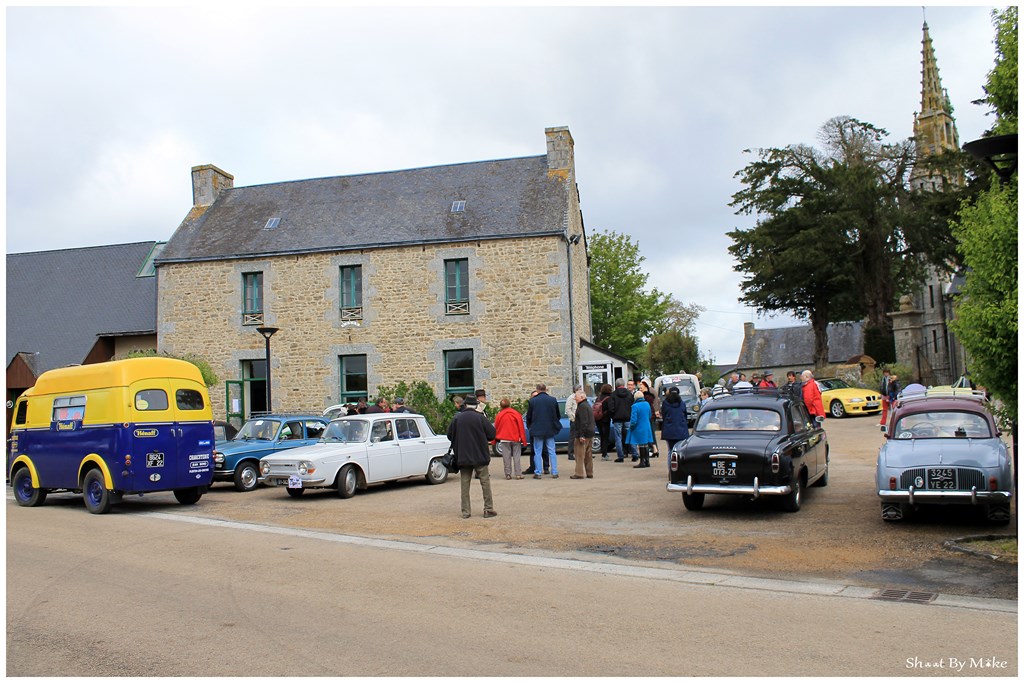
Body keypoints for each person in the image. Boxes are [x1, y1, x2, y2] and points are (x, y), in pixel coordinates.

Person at [447, 396, 497, 518]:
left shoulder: (457, 418)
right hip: (480, 455)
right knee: (485, 482)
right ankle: (488, 509)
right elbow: (492, 434)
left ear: (465, 404)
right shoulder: (480, 418)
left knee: (465, 484)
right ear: (475, 405)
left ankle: (466, 511)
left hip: (463, 456)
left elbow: (449, 436)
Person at [525, 383, 561, 479]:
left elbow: (529, 416)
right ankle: (554, 471)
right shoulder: (552, 400)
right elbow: (557, 415)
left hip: (537, 429)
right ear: (546, 389)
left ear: (537, 390)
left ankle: (538, 472)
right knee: (552, 450)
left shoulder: (533, 401)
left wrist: (530, 426)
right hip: (550, 428)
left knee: (537, 451)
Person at [493, 398, 527, 480]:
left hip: (504, 438)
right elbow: (521, 426)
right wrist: (523, 438)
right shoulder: (515, 413)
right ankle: (518, 474)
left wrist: (494, 439)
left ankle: (508, 474)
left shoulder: (499, 415)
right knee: (516, 457)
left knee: (506, 457)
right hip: (515, 438)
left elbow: (496, 427)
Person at [569, 390, 595, 479]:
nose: (574, 398)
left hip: (584, 434)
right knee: (588, 455)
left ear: (582, 397)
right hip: (590, 433)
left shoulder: (582, 407)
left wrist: (581, 435)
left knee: (579, 455)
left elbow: (584, 422)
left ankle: (579, 473)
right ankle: (589, 472)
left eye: (576, 396)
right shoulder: (587, 405)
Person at [607, 379, 634, 462]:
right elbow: (632, 406)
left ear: (616, 385)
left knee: (618, 438)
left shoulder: (613, 395)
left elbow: (610, 408)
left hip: (617, 419)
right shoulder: (629, 394)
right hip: (628, 418)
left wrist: (613, 416)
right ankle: (635, 454)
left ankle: (620, 456)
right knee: (631, 436)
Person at [626, 390, 654, 468]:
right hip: (647, 426)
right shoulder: (647, 404)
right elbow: (650, 415)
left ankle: (642, 462)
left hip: (639, 427)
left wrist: (631, 427)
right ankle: (647, 461)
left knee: (641, 445)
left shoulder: (635, 406)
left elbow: (634, 420)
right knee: (645, 444)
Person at [660, 386, 689, 454]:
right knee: (681, 450)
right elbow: (685, 416)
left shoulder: (665, 403)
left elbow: (664, 415)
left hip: (669, 430)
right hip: (681, 430)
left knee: (671, 450)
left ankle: (670, 464)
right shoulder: (682, 403)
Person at [639, 379, 660, 458]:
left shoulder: (648, 394)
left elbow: (655, 403)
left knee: (650, 433)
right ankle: (654, 450)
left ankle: (653, 449)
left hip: (649, 416)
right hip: (650, 415)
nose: (640, 386)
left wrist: (656, 411)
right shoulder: (649, 393)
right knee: (650, 433)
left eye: (641, 385)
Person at [594, 383, 614, 461]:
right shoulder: (609, 398)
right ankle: (604, 454)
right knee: (605, 437)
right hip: (605, 420)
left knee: (602, 436)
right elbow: (610, 409)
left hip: (598, 419)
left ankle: (603, 452)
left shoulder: (598, 398)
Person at [565, 384, 582, 460]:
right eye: (579, 389)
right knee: (573, 437)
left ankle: (582, 453)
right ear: (576, 390)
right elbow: (568, 409)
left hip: (581, 420)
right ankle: (570, 453)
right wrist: (573, 418)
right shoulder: (571, 398)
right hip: (574, 420)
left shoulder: (581, 397)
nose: (581, 390)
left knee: (581, 437)